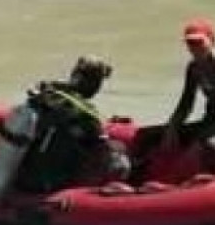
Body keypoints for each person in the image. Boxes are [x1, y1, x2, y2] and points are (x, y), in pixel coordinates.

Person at [135, 18, 215, 176]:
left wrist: (207, 136)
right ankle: (138, 180)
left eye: (199, 42)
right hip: (208, 123)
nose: (194, 48)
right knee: (145, 135)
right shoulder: (194, 68)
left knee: (210, 146)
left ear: (211, 40)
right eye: (190, 43)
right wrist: (172, 127)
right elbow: (186, 103)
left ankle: (204, 186)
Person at [13, 56, 130, 194]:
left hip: (20, 177)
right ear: (94, 84)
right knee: (118, 156)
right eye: (97, 82)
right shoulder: (86, 114)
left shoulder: (45, 95)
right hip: (48, 184)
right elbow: (102, 149)